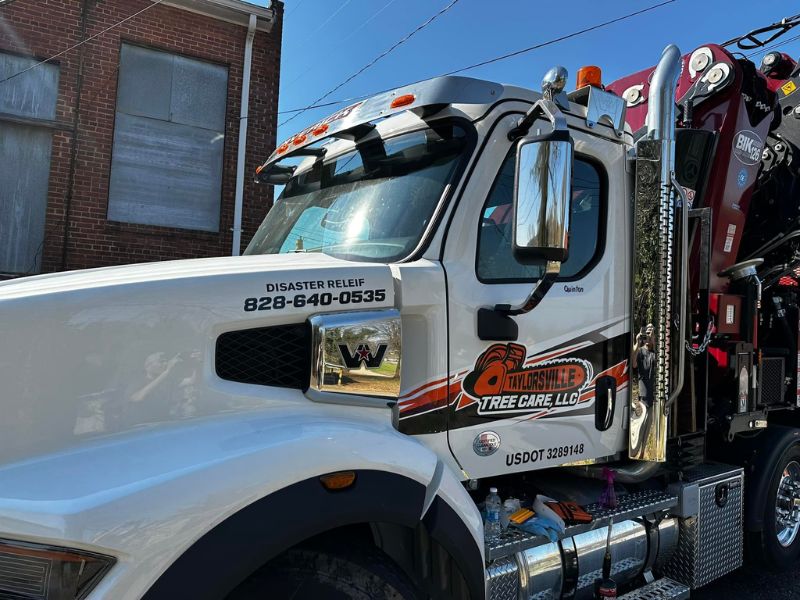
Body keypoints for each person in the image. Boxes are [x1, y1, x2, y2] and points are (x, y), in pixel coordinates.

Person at [631, 324, 656, 407]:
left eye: (650, 333)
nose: (648, 336)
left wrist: (654, 341)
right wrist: (637, 342)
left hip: (658, 398)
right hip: (645, 399)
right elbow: (633, 364)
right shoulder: (640, 351)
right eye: (646, 334)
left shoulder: (658, 352)